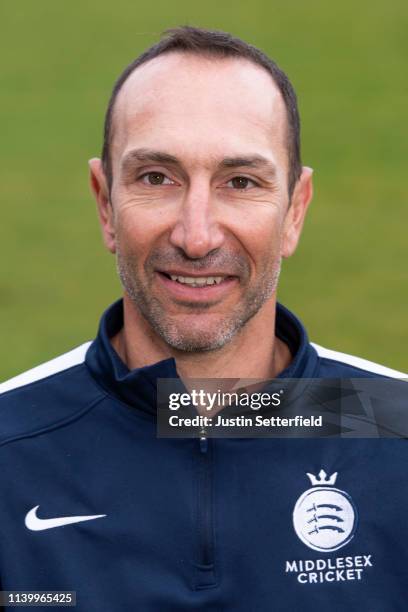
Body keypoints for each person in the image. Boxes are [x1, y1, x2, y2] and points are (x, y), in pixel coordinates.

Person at [0, 26, 406, 612]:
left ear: (295, 210)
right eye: (156, 178)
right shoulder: (12, 449)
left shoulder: (396, 431)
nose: (196, 236)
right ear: (104, 203)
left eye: (240, 182)